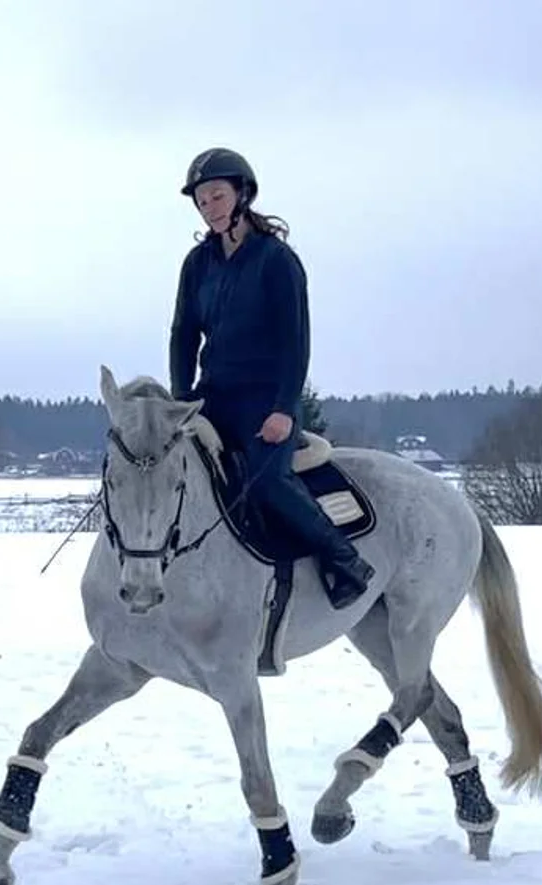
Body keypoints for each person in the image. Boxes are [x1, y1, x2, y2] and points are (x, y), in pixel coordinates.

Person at [168, 146, 375, 609]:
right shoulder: (197, 264)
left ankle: (343, 558)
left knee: (265, 480)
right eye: (201, 202)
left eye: (217, 197)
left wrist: (284, 408)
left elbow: (294, 342)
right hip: (212, 398)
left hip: (265, 402)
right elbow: (183, 334)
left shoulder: (276, 260)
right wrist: (181, 399)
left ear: (243, 193)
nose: (209, 209)